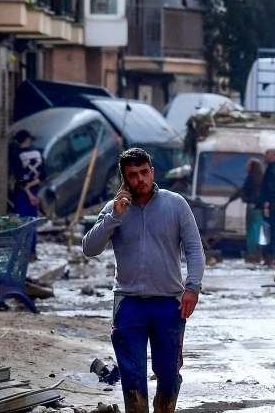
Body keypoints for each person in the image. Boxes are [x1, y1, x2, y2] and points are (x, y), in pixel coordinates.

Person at [82, 148, 205, 413]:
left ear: (152, 172)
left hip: (169, 304)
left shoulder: (176, 204)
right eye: (133, 175)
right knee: (133, 376)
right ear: (124, 180)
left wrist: (192, 287)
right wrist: (114, 216)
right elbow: (89, 248)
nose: (140, 179)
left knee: (169, 374)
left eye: (144, 172)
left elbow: (194, 248)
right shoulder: (114, 210)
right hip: (129, 305)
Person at [9, 130, 44, 257]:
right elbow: (42, 175)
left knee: (21, 222)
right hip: (34, 191)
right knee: (32, 222)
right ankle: (32, 251)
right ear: (28, 140)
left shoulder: (16, 155)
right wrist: (32, 188)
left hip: (22, 194)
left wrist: (27, 191)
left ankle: (21, 252)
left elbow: (20, 178)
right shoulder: (38, 153)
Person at [240, 158, 264, 264]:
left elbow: (244, 191)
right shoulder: (262, 178)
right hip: (259, 208)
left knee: (251, 232)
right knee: (257, 231)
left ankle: (251, 254)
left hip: (251, 207)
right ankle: (257, 253)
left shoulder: (250, 178)